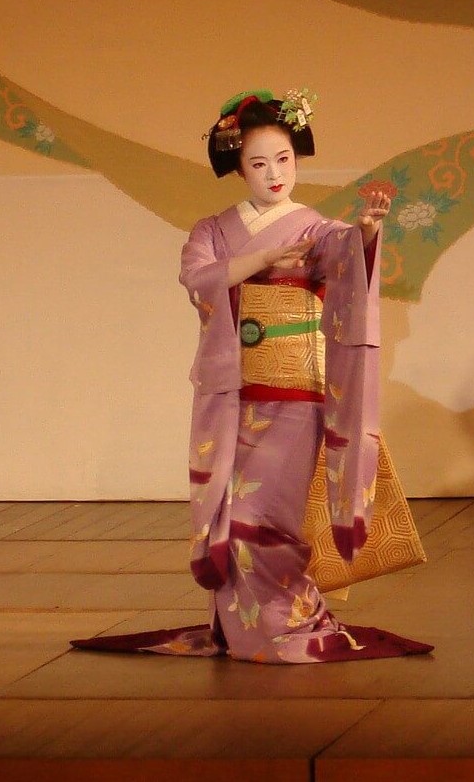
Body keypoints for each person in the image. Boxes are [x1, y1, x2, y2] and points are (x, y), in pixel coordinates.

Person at [73, 89, 432, 663]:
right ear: (238, 168)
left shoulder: (314, 228)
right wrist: (264, 260)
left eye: (284, 159)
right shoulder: (212, 230)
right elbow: (200, 279)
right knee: (229, 518)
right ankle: (246, 631)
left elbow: (344, 260)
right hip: (236, 396)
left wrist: (365, 230)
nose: (274, 174)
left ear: (297, 159)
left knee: (261, 519)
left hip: (297, 396)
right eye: (259, 163)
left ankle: (290, 624)